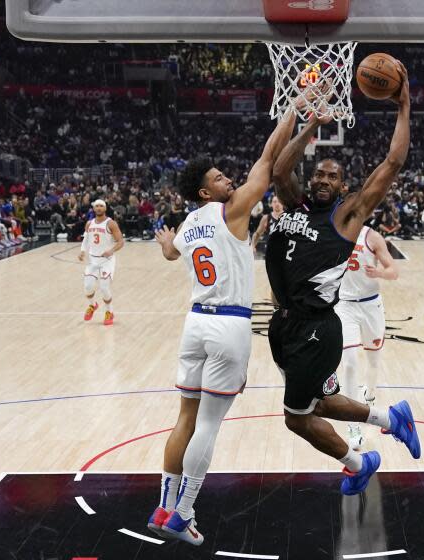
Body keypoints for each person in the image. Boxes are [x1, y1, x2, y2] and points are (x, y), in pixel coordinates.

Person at [266, 61, 420, 498]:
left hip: (316, 327)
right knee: (322, 403)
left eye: (332, 176)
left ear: (342, 185)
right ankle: (394, 421)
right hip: (284, 324)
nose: (322, 179)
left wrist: (404, 106)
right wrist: (311, 122)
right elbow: (279, 171)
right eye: (318, 173)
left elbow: (393, 162)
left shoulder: (347, 217)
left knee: (296, 417)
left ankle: (358, 463)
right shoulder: (295, 203)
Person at [147, 107, 299, 545]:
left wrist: (163, 244)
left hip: (194, 325)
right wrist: (292, 111)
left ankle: (163, 505)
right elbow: (268, 162)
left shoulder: (189, 225)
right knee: (209, 424)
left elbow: (172, 254)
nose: (227, 180)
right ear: (203, 191)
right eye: (217, 178)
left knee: (185, 419)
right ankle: (183, 514)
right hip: (228, 326)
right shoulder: (229, 211)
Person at [335, 222, 398, 450]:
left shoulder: (371, 237)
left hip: (371, 304)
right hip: (345, 306)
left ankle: (369, 395)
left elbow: (394, 271)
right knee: (350, 363)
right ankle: (353, 424)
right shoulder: (335, 233)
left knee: (374, 361)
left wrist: (379, 272)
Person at [78, 199, 125, 326]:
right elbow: (86, 239)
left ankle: (109, 312)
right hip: (93, 260)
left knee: (104, 288)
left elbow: (121, 241)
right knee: (87, 287)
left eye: (101, 206)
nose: (98, 208)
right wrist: (82, 251)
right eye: (96, 206)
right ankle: (93, 305)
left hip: (107, 261)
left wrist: (111, 250)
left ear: (105, 208)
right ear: (94, 208)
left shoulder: (111, 223)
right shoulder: (89, 223)